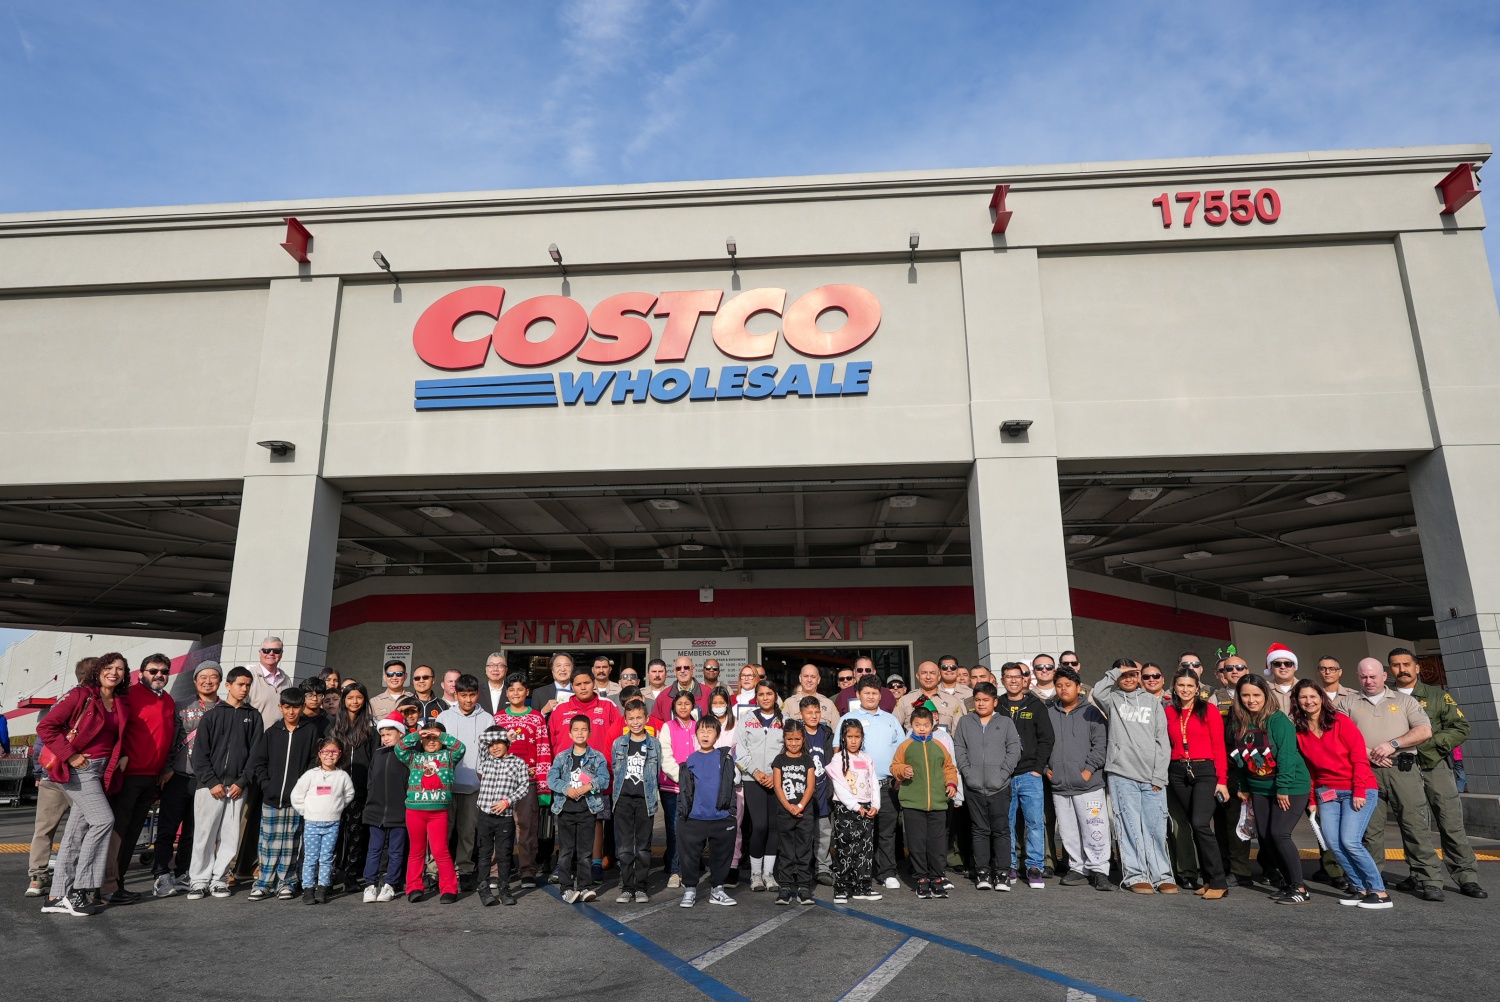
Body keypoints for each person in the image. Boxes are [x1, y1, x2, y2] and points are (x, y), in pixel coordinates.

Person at [1337, 658, 1443, 899]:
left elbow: (1424, 730)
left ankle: (1429, 879)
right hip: (1365, 771)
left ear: (1384, 676)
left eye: (1373, 676)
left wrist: (1393, 744)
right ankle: (1371, 880)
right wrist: (1368, 753)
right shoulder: (1347, 703)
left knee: (1415, 826)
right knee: (1369, 830)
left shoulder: (1405, 700)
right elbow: (1339, 735)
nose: (1369, 681)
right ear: (1358, 676)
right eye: (1364, 676)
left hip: (1401, 769)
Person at [1387, 647, 1487, 899]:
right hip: (1401, 768)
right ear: (1390, 669)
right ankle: (1418, 873)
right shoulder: (1385, 697)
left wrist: (1427, 746)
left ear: (1417, 667)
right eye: (1396, 665)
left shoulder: (1437, 696)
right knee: (1412, 823)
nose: (1402, 669)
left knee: (1450, 821)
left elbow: (1460, 727)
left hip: (1435, 765)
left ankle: (1466, 876)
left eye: (1407, 664)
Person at [38, 653, 128, 916]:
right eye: (109, 667)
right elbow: (46, 727)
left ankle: (56, 896)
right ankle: (80, 889)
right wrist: (71, 755)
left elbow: (117, 736)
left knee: (76, 832)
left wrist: (122, 755)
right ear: (98, 670)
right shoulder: (81, 695)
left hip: (102, 770)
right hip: (81, 768)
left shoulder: (119, 702)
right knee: (103, 821)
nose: (114, 672)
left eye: (120, 669)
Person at [1290, 680, 1389, 908]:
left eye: (1313, 696)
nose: (1308, 701)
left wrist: (1360, 790)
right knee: (1333, 843)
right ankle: (1360, 888)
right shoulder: (1300, 731)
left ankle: (1380, 892)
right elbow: (1310, 769)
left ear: (1321, 698)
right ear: (1297, 701)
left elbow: (1359, 757)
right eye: (1303, 697)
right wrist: (1312, 799)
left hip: (1357, 788)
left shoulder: (1340, 721)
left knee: (1350, 841)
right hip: (1327, 792)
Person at [101, 653, 177, 905]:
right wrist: (120, 755)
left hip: (151, 777)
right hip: (128, 776)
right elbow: (113, 729)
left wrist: (165, 768)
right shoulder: (128, 695)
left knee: (132, 834)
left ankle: (118, 883)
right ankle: (105, 886)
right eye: (153, 671)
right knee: (117, 833)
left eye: (164, 671)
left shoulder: (168, 700)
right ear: (141, 673)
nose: (159, 675)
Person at [1229, 674, 1311, 903]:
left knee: (1279, 834)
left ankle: (1300, 888)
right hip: (1259, 786)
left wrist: (1283, 787)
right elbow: (1240, 757)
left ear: (1266, 694)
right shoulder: (1239, 722)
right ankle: (1288, 883)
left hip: (1290, 785)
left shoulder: (1278, 720)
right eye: (1245, 695)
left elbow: (1286, 755)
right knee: (1265, 836)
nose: (1251, 700)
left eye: (1256, 695)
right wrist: (1244, 786)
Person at [1093, 658, 1173, 894]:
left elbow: (1162, 741)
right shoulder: (1112, 700)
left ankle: (1162, 874)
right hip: (1121, 774)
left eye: (1133, 674)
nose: (1128, 678)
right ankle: (1135, 875)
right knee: (1129, 826)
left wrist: (1159, 776)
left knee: (1155, 827)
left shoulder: (1152, 702)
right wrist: (1116, 671)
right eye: (1124, 675)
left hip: (1152, 776)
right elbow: (1097, 691)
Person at [186, 666, 258, 900]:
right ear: (228, 685)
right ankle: (198, 880)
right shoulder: (212, 715)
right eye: (240, 684)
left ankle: (219, 879)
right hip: (209, 787)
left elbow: (256, 754)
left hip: (237, 787)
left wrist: (242, 781)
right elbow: (199, 753)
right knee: (204, 834)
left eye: (248, 685)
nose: (244, 689)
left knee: (230, 836)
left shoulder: (253, 716)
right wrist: (211, 782)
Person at [245, 687, 322, 901]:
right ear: (280, 707)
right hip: (271, 798)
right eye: (287, 707)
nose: (291, 712)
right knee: (268, 841)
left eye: (295, 707)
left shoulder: (310, 731)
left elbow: (313, 762)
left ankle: (287, 882)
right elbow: (260, 763)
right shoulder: (272, 732)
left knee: (291, 842)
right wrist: (267, 785)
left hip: (296, 800)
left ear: (302, 707)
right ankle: (264, 882)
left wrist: (301, 788)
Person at [152, 661, 222, 897]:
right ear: (195, 681)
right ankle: (161, 874)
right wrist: (167, 767)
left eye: (213, 676)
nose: (208, 681)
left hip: (206, 781)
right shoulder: (181, 705)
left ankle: (184, 872)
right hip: (178, 775)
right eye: (203, 676)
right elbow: (169, 738)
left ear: (220, 681)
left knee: (194, 831)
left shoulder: (225, 708)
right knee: (167, 828)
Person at [27, 657, 94, 898]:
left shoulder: (62, 701)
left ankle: (37, 877)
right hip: (78, 774)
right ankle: (77, 878)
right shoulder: (89, 700)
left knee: (44, 829)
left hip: (51, 774)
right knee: (83, 827)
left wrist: (39, 772)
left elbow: (40, 741)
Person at [1163, 667, 1230, 899]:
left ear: (1197, 688)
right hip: (1177, 771)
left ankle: (1219, 882)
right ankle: (1208, 880)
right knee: (1192, 825)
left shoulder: (1208, 709)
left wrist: (1222, 780)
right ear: (1174, 687)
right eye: (1181, 685)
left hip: (1205, 771)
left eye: (1190, 686)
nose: (1185, 689)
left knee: (1201, 823)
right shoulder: (1168, 712)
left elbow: (1219, 746)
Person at [1046, 665, 1112, 891]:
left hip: (1088, 784)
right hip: (1060, 784)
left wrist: (1088, 770)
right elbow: (1042, 743)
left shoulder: (1092, 713)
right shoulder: (1049, 713)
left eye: (1068, 685)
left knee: (1094, 828)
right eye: (1059, 685)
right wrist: (1046, 768)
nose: (1063, 689)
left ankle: (1100, 870)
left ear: (1078, 687)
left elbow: (1101, 745)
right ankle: (1077, 868)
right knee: (1068, 830)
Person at [952, 681, 1022, 892]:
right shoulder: (965, 722)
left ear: (995, 701)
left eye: (986, 700)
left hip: (999, 786)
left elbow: (1014, 749)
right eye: (977, 700)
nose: (981, 703)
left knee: (1001, 831)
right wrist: (967, 772)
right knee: (979, 830)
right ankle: (982, 871)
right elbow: (959, 747)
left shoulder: (1005, 722)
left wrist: (1003, 774)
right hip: (974, 786)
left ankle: (1002, 873)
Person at [841, 676, 905, 890]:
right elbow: (838, 751)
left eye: (875, 693)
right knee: (859, 832)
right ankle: (859, 872)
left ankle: (888, 872)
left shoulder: (891, 720)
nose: (870, 696)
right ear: (858, 695)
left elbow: (902, 751)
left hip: (886, 785)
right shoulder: (848, 719)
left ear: (880, 695)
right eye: (866, 692)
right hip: (858, 788)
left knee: (887, 832)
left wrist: (899, 779)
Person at [395, 716, 465, 903]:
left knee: (440, 850)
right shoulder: (414, 757)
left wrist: (440, 735)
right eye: (428, 738)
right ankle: (414, 887)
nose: (432, 741)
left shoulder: (449, 757)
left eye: (436, 738)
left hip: (438, 813)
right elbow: (399, 749)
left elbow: (460, 748)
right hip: (415, 812)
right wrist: (417, 734)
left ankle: (449, 888)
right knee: (416, 851)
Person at [891, 707, 958, 899]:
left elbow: (949, 768)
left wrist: (951, 784)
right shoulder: (905, 746)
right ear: (911, 725)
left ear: (932, 725)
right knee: (917, 843)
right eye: (918, 725)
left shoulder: (939, 746)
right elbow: (895, 766)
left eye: (926, 725)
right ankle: (921, 879)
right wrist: (903, 770)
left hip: (938, 803)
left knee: (937, 843)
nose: (922, 728)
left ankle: (937, 878)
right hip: (913, 804)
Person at [493, 673, 551, 888]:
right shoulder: (497, 719)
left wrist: (544, 788)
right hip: (501, 783)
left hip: (529, 782)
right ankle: (497, 871)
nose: (516, 693)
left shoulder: (536, 718)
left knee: (527, 828)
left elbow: (544, 751)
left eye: (520, 689)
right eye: (511, 690)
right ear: (506, 693)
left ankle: (527, 870)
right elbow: (490, 751)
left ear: (527, 692)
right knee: (500, 828)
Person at [436, 674, 493, 892]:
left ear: (477, 694)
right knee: (442, 831)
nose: (468, 700)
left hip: (473, 786)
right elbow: (435, 748)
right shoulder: (444, 717)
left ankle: (465, 870)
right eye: (463, 695)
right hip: (446, 785)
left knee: (468, 831)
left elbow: (490, 751)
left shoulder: (487, 719)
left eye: (472, 695)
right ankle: (435, 871)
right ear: (456, 694)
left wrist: (482, 774)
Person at [999, 663, 1053, 889]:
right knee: (1006, 823)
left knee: (1034, 823)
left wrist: (1038, 768)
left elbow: (1046, 739)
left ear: (1024, 680)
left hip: (1030, 774)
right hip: (1004, 776)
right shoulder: (998, 705)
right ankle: (1009, 865)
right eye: (1008, 677)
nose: (1013, 680)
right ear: (1002, 680)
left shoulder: (1036, 705)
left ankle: (1034, 867)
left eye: (1017, 676)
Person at [677, 715, 739, 908]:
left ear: (717, 735)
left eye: (710, 731)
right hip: (695, 818)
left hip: (721, 817)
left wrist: (731, 812)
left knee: (721, 856)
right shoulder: (691, 759)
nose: (705, 734)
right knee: (689, 856)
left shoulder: (724, 758)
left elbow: (732, 784)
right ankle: (689, 890)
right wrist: (684, 813)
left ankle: (717, 890)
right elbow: (686, 790)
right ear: (696, 734)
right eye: (701, 731)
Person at [548, 715, 609, 903]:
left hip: (587, 811)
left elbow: (604, 779)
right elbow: (552, 779)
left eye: (584, 729)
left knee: (585, 852)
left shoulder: (597, 757)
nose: (580, 733)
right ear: (569, 733)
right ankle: (566, 888)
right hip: (565, 811)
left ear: (590, 732)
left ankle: (584, 887)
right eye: (576, 730)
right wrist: (566, 789)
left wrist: (588, 786)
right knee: (566, 851)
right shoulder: (561, 757)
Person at [290, 738, 355, 904]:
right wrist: (306, 811)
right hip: (312, 823)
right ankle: (308, 888)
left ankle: (322, 888)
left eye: (334, 751)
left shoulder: (342, 776)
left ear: (340, 754)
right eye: (326, 751)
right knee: (310, 857)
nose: (330, 755)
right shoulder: (311, 775)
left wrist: (338, 807)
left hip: (332, 824)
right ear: (319, 754)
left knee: (326, 857)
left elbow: (349, 794)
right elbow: (296, 795)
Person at [1210, 651, 1254, 886]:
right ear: (1222, 674)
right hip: (1228, 766)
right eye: (1229, 668)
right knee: (1231, 819)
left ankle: (1272, 868)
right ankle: (1236, 869)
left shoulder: (1257, 693)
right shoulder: (1214, 699)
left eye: (1240, 668)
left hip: (1257, 765)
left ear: (1247, 671)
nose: (1235, 672)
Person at [736, 680, 785, 891]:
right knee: (759, 826)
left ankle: (769, 874)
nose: (765, 698)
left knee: (774, 827)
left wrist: (776, 775)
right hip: (752, 780)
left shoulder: (785, 720)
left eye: (769, 694)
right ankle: (756, 874)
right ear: (756, 697)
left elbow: (788, 751)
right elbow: (740, 750)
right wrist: (756, 772)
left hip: (777, 780)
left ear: (776, 696)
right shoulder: (746, 720)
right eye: (761, 694)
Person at [610, 702, 661, 903]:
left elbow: (656, 773)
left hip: (645, 800)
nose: (635, 722)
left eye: (639, 717)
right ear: (625, 720)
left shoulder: (654, 744)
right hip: (623, 800)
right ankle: (627, 886)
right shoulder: (618, 743)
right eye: (631, 718)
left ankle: (640, 886)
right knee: (624, 846)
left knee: (642, 846)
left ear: (646, 719)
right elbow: (616, 769)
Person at [828, 718, 882, 904]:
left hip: (867, 809)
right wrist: (856, 806)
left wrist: (875, 805)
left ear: (862, 738)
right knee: (846, 849)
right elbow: (839, 787)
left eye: (857, 737)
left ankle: (862, 887)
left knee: (865, 849)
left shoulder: (866, 758)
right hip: (846, 809)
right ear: (843, 738)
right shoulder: (838, 759)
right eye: (849, 736)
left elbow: (873, 782)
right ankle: (842, 888)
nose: (853, 741)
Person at [475, 725, 529, 906]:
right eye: (492, 744)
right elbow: (482, 739)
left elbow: (524, 787)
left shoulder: (518, 763)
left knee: (504, 854)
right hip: (485, 814)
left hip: (505, 817)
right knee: (484, 854)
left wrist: (507, 801)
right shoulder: (486, 759)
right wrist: (505, 734)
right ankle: (484, 889)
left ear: (508, 744)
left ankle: (504, 889)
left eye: (499, 743)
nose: (494, 747)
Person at [331, 681, 376, 888]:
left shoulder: (371, 728)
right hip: (335, 791)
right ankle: (330, 874)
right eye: (350, 698)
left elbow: (374, 760)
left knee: (356, 834)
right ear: (344, 700)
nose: (355, 702)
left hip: (359, 791)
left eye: (359, 697)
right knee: (334, 834)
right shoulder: (333, 726)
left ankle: (351, 875)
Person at [360, 718, 410, 903]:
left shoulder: (407, 755)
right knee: (374, 849)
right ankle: (370, 884)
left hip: (399, 811)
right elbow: (370, 781)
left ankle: (390, 883)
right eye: (382, 735)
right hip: (376, 811)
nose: (385, 738)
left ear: (401, 734)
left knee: (396, 850)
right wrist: (371, 802)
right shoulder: (378, 754)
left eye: (389, 734)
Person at [771, 720, 817, 905]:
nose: (793, 743)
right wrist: (789, 807)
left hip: (804, 813)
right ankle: (785, 886)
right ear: (784, 738)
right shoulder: (779, 760)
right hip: (785, 813)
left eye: (797, 739)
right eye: (790, 739)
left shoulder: (808, 760)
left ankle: (804, 886)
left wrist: (800, 806)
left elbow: (810, 786)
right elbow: (777, 786)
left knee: (804, 850)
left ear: (803, 739)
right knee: (786, 850)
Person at [795, 696, 836, 886]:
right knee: (803, 833)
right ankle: (800, 868)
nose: (813, 716)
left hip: (823, 790)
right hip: (802, 792)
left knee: (824, 832)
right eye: (809, 712)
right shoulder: (797, 734)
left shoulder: (827, 733)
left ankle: (823, 868)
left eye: (817, 712)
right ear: (801, 714)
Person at [894, 661, 966, 730]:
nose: (928, 677)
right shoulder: (905, 700)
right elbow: (893, 727)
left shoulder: (952, 701)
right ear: (918, 676)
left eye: (932, 673)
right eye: (924, 673)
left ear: (939, 677)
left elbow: (957, 732)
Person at [247, 638, 293, 727]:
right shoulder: (249, 677)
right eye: (266, 650)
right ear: (260, 653)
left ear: (281, 653)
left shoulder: (286, 680)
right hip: (256, 734)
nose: (271, 653)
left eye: (276, 651)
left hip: (280, 733)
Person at [781, 663, 840, 731]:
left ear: (818, 680)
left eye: (813, 677)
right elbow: (781, 730)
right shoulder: (789, 703)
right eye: (806, 676)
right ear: (800, 678)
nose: (809, 680)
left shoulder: (829, 704)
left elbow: (837, 732)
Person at [652, 656, 712, 722]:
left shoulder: (707, 693)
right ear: (675, 671)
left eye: (686, 668)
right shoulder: (663, 696)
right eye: (678, 668)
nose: (682, 671)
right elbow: (655, 722)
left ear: (693, 670)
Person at [1265, 643, 1299, 714]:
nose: (1283, 667)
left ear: (1294, 667)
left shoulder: (1306, 687)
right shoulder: (1265, 689)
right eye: (1277, 664)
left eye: (1288, 664)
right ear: (1271, 668)